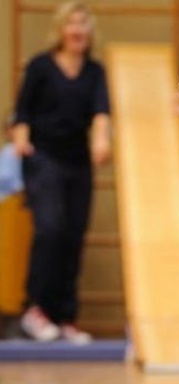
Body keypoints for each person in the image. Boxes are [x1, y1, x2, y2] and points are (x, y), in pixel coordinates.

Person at [13, 1, 111, 344]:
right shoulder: (41, 66)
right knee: (50, 229)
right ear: (61, 29)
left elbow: (101, 112)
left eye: (84, 24)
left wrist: (101, 141)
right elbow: (22, 112)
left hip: (77, 162)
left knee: (73, 235)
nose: (78, 30)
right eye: (72, 23)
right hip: (43, 158)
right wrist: (22, 140)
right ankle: (36, 309)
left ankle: (64, 316)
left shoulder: (94, 72)